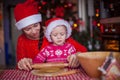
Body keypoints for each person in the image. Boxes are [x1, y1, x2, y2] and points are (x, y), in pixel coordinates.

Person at [14, 0, 87, 71]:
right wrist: (22, 64)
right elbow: (19, 66)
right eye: (27, 29)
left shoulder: (52, 30)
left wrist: (78, 55)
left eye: (36, 25)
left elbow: (83, 51)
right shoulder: (21, 40)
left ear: (39, 22)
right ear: (22, 29)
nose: (33, 31)